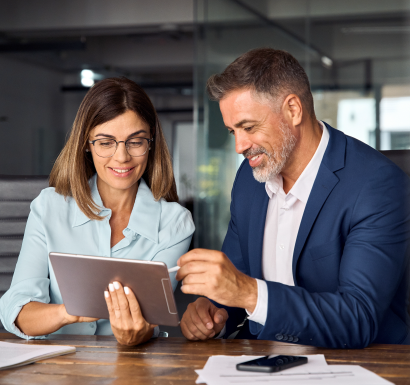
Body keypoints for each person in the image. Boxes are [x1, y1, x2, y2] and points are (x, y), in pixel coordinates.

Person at [176, 48, 410, 348]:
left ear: (293, 109)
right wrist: (213, 313)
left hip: (355, 366)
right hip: (261, 364)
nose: (239, 145)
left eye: (248, 127)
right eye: (232, 130)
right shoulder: (250, 180)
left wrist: (248, 293)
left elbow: (358, 317)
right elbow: (239, 282)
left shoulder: (377, 186)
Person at [0, 77, 195, 346]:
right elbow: (18, 311)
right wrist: (70, 311)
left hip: (134, 367)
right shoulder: (49, 207)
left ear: (151, 143)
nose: (122, 157)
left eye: (135, 142)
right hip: (59, 369)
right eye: (106, 142)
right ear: (86, 145)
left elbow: (151, 318)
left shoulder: (175, 223)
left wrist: (136, 333)